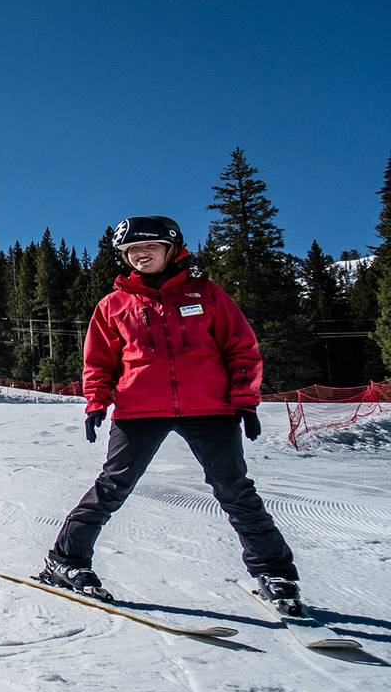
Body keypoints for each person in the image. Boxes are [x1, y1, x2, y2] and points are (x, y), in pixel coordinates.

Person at [40, 216, 302, 613]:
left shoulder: (207, 294)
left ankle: (274, 572)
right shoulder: (114, 305)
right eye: (132, 250)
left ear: (171, 250)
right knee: (113, 486)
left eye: (150, 247)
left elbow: (241, 348)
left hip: (209, 408)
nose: (141, 255)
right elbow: (99, 361)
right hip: (140, 409)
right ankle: (66, 560)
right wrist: (96, 402)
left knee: (234, 490)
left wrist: (245, 400)